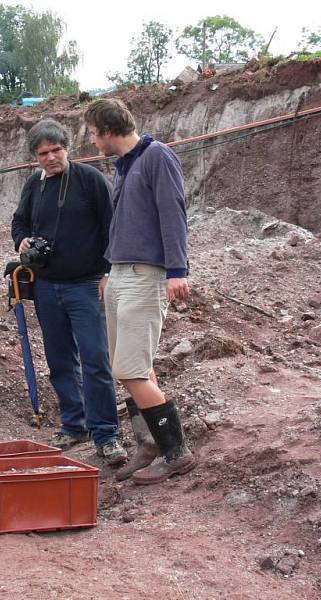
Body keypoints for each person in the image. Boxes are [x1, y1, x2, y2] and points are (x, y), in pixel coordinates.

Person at [84, 98, 196, 484]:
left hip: (146, 275)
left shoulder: (157, 157)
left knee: (129, 368)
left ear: (109, 130)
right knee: (135, 368)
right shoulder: (126, 166)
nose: (94, 143)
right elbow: (125, 225)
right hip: (120, 274)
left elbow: (173, 213)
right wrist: (108, 269)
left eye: (95, 135)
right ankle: (150, 444)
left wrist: (177, 270)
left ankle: (176, 452)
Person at [11, 118, 127, 465]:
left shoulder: (91, 180)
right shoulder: (35, 185)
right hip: (47, 287)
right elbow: (19, 221)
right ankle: (74, 424)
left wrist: (108, 272)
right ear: (35, 156)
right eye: (43, 153)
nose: (51, 157)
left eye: (56, 150)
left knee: (95, 361)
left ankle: (106, 433)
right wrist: (22, 240)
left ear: (68, 148)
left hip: (87, 284)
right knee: (60, 361)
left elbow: (114, 226)